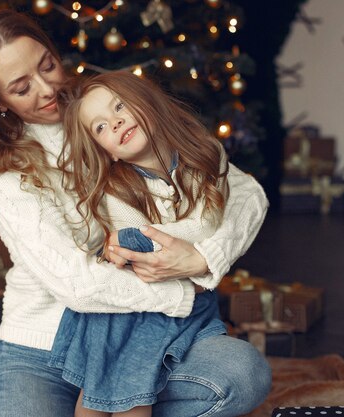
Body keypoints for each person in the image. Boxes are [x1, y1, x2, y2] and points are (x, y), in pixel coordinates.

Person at [0, 9, 271, 417]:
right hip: (41, 344)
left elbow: (242, 188)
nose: (47, 88)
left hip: (148, 331)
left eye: (47, 65)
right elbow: (75, 284)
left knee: (241, 375)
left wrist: (204, 258)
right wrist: (185, 289)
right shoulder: (0, 163)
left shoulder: (105, 110)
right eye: (21, 87)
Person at [52, 71, 238, 416]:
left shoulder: (205, 152)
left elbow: (210, 221)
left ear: (146, 100)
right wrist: (194, 251)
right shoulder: (115, 190)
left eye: (119, 105)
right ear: (106, 153)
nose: (116, 121)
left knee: (134, 396)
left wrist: (185, 248)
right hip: (127, 308)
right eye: (101, 127)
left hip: (181, 309)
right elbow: (146, 249)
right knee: (109, 396)